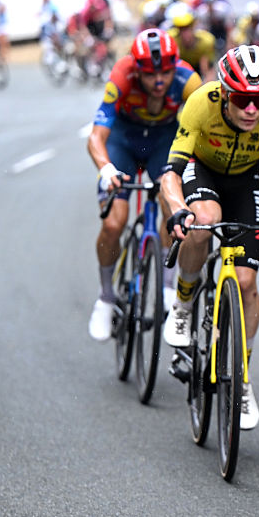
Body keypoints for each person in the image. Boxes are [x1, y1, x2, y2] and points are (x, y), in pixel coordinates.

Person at [161, 45, 259, 430]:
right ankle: (185, 301)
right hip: (201, 169)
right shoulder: (201, 102)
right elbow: (170, 172)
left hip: (245, 181)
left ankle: (240, 378)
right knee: (204, 219)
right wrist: (176, 208)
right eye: (242, 99)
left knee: (245, 280)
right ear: (224, 91)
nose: (252, 109)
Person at [87, 29, 203, 342]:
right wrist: (106, 169)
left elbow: (203, 128)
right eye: (152, 74)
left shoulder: (187, 80)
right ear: (138, 70)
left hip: (164, 142)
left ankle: (166, 287)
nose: (160, 80)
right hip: (124, 141)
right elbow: (97, 136)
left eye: (166, 71)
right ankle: (106, 296)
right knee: (114, 222)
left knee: (172, 206)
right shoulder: (122, 74)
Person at [168, 8, 216, 81]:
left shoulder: (205, 41)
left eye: (188, 28)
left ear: (193, 28)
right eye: (182, 30)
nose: (185, 33)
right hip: (179, 67)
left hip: (197, 68)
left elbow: (206, 70)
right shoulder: (171, 39)